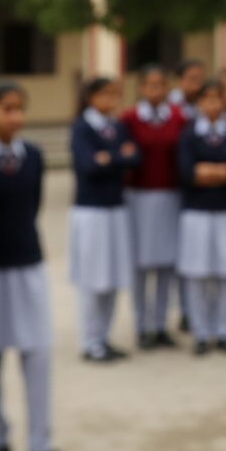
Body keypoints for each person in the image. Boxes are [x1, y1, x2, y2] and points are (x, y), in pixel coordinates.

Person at [0, 82, 79, 451]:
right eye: (6, 108)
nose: (14, 117)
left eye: (19, 108)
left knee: (37, 355)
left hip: (27, 263)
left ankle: (40, 445)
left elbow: (31, 205)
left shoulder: (32, 155)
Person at [69, 77, 139, 362]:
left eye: (115, 94)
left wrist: (107, 159)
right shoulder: (82, 128)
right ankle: (90, 341)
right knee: (92, 277)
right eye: (105, 94)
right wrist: (117, 157)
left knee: (112, 276)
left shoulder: (117, 126)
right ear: (90, 97)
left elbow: (134, 158)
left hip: (115, 208)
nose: (111, 100)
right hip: (91, 211)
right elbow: (88, 166)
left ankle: (104, 337)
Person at [177, 81, 226, 355]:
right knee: (197, 274)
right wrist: (225, 170)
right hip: (197, 212)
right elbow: (187, 172)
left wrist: (210, 170)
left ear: (225, 103)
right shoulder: (189, 134)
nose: (212, 105)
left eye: (217, 99)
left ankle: (225, 330)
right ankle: (201, 332)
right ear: (198, 104)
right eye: (206, 100)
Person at [120, 64, 186, 349]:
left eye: (161, 84)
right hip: (139, 197)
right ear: (141, 88)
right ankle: (141, 325)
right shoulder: (130, 119)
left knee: (166, 265)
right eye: (150, 85)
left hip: (170, 196)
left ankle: (160, 324)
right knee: (140, 266)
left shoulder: (178, 118)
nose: (155, 90)